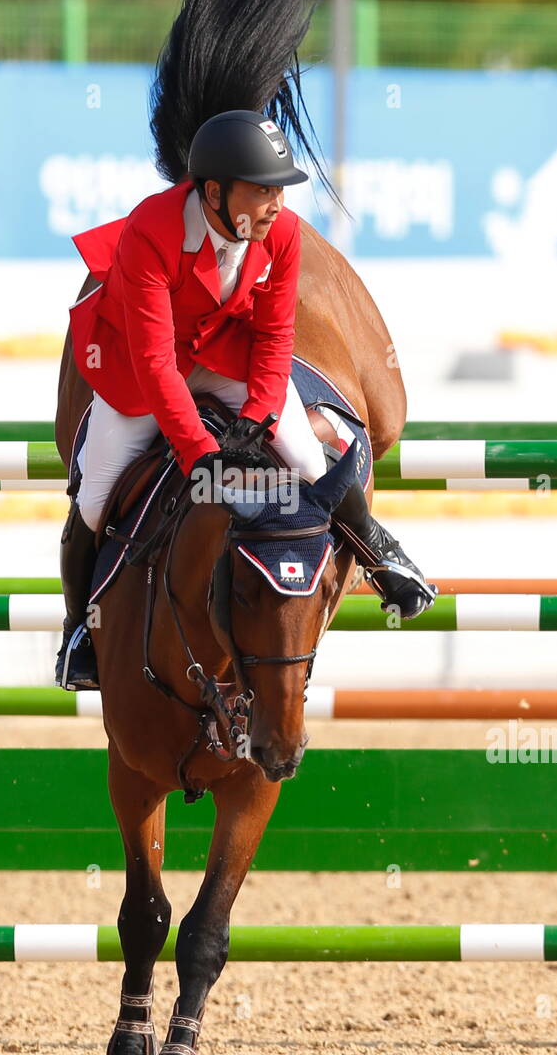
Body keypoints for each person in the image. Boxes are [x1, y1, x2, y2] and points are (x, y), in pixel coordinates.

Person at [56, 110, 433, 690]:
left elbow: (278, 336)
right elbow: (158, 366)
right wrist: (200, 454)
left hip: (227, 354)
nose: (276, 205)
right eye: (262, 190)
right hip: (142, 370)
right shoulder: (150, 232)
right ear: (213, 192)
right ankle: (80, 627)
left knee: (309, 458)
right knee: (95, 492)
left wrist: (258, 417)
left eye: (278, 190)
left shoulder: (279, 232)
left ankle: (383, 553)